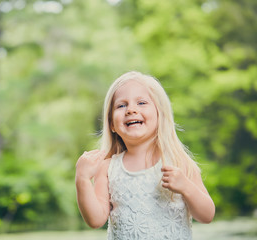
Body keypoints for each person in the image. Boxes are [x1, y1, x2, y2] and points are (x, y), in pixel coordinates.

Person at [75, 71, 215, 239]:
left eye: (141, 102)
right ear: (111, 123)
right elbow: (95, 220)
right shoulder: (107, 168)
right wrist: (82, 179)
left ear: (159, 114)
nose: (131, 110)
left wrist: (186, 187)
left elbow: (207, 215)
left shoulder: (178, 162)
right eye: (121, 105)